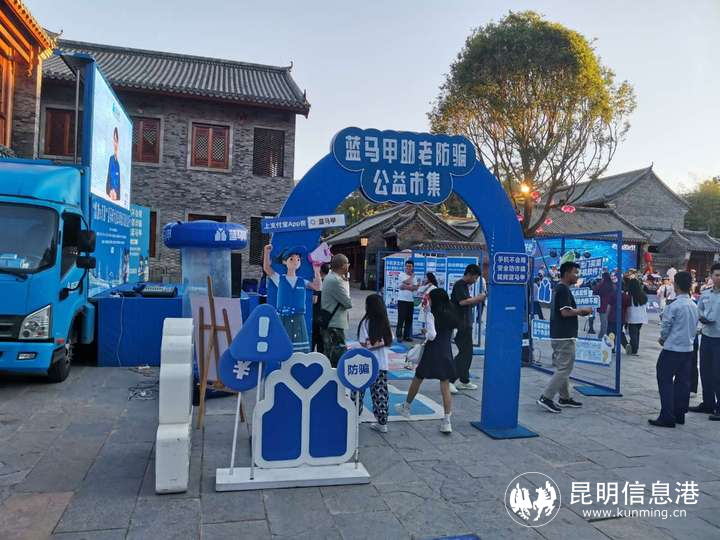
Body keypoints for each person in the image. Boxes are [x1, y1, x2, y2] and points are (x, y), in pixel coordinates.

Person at [396, 288, 458, 433]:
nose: (428, 300)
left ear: (435, 300)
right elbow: (453, 334)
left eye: (430, 298)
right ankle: (447, 421)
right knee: (445, 385)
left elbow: (432, 335)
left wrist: (425, 331)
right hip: (446, 351)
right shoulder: (451, 313)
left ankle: (406, 407)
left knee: (418, 378)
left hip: (432, 351)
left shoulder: (431, 314)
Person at [536, 261, 592, 413]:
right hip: (564, 336)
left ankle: (564, 397)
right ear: (567, 273)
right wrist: (582, 311)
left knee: (563, 367)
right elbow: (565, 312)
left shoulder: (559, 288)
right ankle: (546, 397)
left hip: (558, 334)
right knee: (565, 368)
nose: (577, 276)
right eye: (575, 272)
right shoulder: (563, 289)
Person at [649, 271, 699, 427]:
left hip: (672, 348)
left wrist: (663, 338)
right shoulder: (694, 305)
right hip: (688, 348)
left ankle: (667, 415)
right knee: (683, 382)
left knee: (665, 380)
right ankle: (679, 414)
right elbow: (696, 327)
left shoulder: (674, 305)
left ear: (676, 285)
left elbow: (666, 327)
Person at [263, 244, 321, 353]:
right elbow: (267, 268)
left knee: (299, 349)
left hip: (298, 317)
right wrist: (267, 252)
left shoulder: (302, 281)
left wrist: (317, 271)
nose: (295, 262)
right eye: (291, 259)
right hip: (283, 317)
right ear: (284, 262)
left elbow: (317, 287)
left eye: (298, 259)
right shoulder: (280, 279)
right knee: (282, 346)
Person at [356, 294, 393, 433]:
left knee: (358, 391)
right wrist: (380, 342)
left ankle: (354, 417)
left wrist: (372, 343)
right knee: (380, 393)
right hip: (381, 364)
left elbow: (363, 343)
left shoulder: (366, 322)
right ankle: (382, 422)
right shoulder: (385, 322)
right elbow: (390, 341)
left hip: (366, 364)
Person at [689, 263, 720, 418]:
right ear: (711, 276)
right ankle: (708, 404)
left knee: (717, 374)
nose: (719, 278)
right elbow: (699, 309)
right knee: (705, 371)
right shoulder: (706, 294)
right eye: (717, 275)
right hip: (707, 336)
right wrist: (702, 318)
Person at [450, 264, 487, 393]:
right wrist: (478, 298)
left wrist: (476, 300)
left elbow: (467, 302)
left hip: (466, 324)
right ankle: (449, 380)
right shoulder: (459, 285)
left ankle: (464, 380)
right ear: (469, 274)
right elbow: (462, 302)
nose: (475, 281)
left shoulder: (465, 286)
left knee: (467, 353)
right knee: (464, 353)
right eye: (475, 278)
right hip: (461, 325)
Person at [320, 254, 353, 367]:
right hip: (335, 324)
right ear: (343, 265)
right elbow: (348, 303)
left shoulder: (330, 277)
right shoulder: (336, 281)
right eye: (347, 263)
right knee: (337, 355)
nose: (348, 265)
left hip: (330, 321)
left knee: (329, 353)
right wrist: (346, 283)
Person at [396, 260, 419, 342]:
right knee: (401, 318)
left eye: (410, 266)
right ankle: (399, 336)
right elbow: (403, 285)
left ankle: (406, 336)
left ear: (413, 267)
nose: (408, 268)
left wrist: (406, 286)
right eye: (407, 266)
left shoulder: (415, 277)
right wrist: (411, 278)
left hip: (410, 300)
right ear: (405, 267)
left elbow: (415, 288)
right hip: (402, 300)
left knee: (409, 319)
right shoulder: (401, 274)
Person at [607, 278, 631, 352]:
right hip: (621, 317)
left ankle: (612, 348)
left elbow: (609, 306)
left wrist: (607, 315)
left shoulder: (613, 294)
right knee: (619, 332)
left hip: (612, 316)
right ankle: (626, 344)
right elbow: (628, 309)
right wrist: (627, 319)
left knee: (611, 332)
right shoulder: (627, 297)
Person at [626, 278, 649, 356]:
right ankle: (634, 349)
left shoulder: (629, 296)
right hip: (641, 318)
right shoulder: (643, 296)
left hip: (632, 317)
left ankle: (634, 350)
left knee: (633, 334)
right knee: (637, 333)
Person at [311, 263, 330, 353]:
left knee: (312, 341)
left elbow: (314, 300)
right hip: (325, 316)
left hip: (315, 315)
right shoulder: (330, 283)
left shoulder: (317, 283)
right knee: (321, 344)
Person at [593, 272, 614, 339]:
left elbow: (595, 291)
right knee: (606, 323)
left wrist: (599, 284)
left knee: (604, 324)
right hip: (610, 306)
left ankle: (601, 338)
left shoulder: (602, 285)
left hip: (603, 306)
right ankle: (603, 337)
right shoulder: (612, 285)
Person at [106, 127, 121, 201]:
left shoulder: (118, 163)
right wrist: (111, 191)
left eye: (116, 140)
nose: (115, 142)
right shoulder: (111, 159)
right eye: (114, 140)